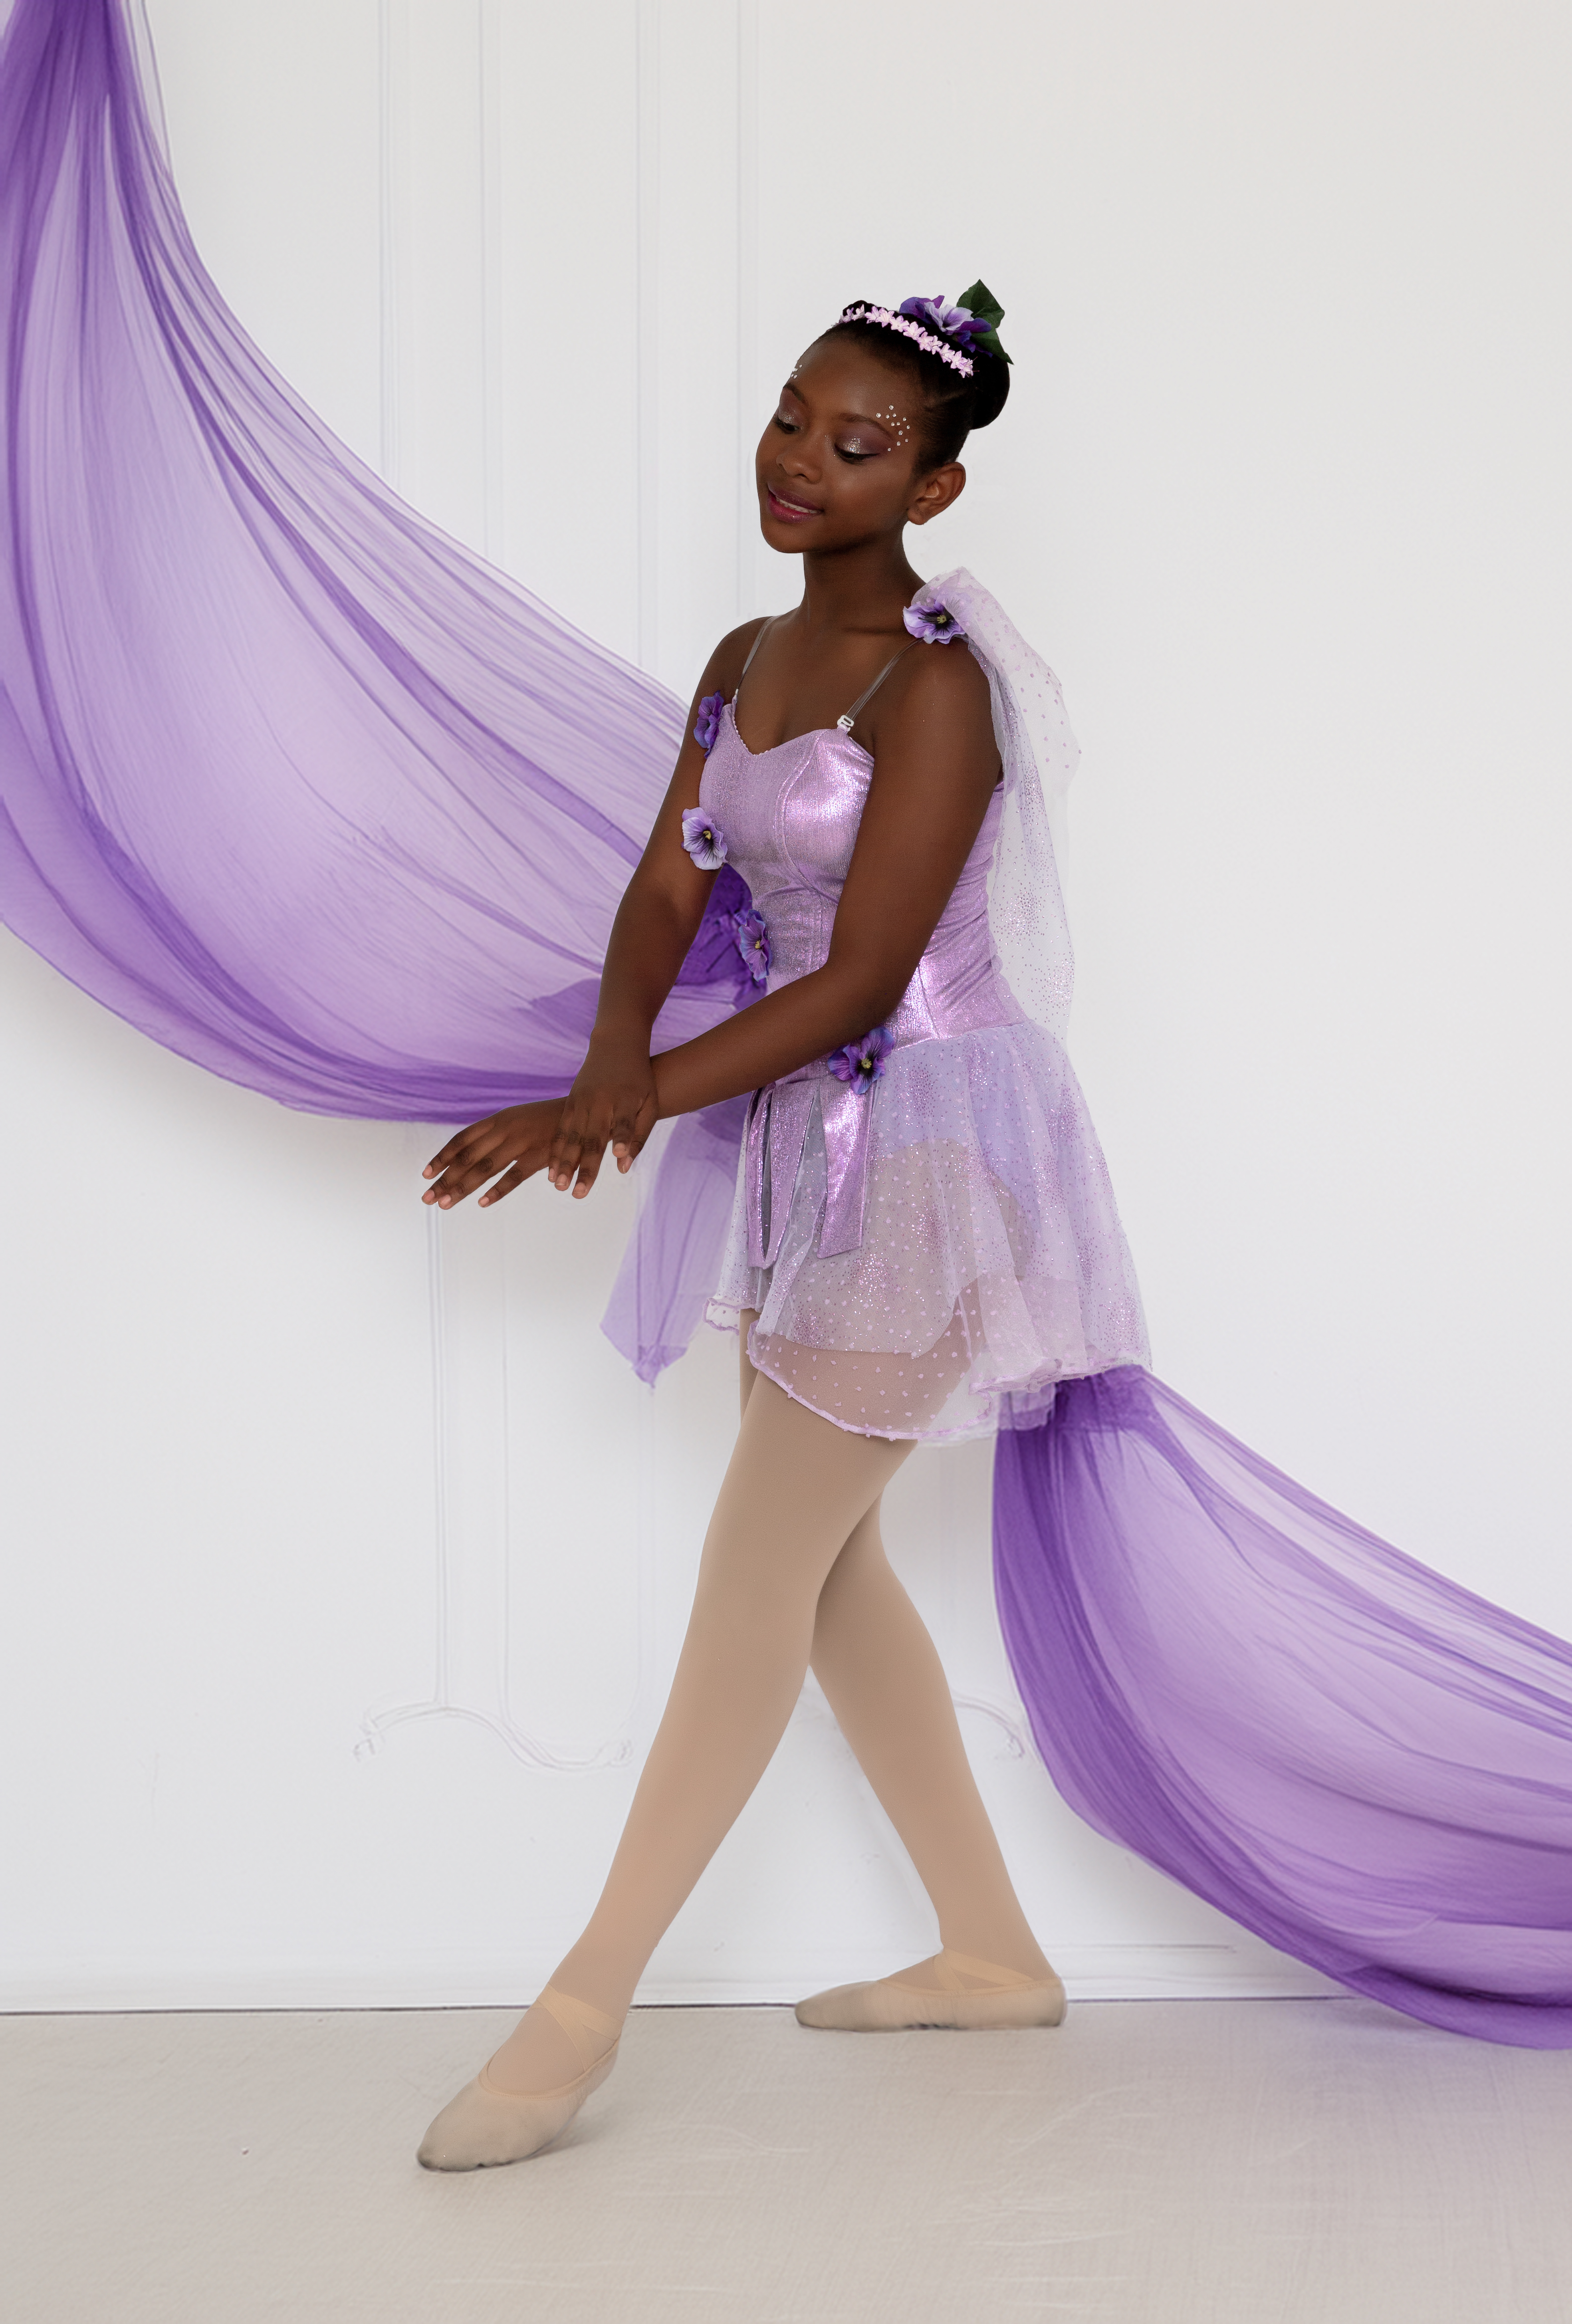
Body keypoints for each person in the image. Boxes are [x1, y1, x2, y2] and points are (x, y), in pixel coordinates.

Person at [413, 288, 1145, 2171]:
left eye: (858, 444)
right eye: (793, 416)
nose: (801, 460)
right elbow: (672, 887)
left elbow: (864, 981)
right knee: (828, 1575)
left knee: (755, 1579)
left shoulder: (937, 687)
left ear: (935, 485)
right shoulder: (744, 654)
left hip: (933, 1148)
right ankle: (991, 1953)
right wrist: (603, 1066)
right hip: (804, 1140)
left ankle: (577, 2013)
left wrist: (621, 1107)